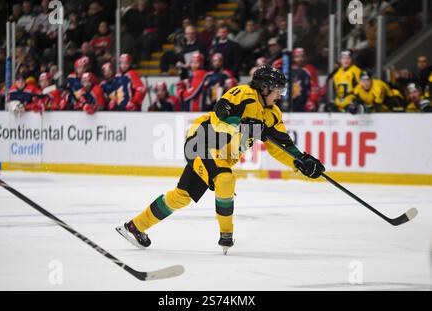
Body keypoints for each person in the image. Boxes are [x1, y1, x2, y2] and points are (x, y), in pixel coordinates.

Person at [116, 65, 325, 253]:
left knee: (181, 197)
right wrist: (247, 124)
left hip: (219, 156)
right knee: (225, 178)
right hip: (201, 142)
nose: (280, 95)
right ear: (264, 87)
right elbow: (220, 116)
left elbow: (281, 146)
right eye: (278, 90)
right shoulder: (244, 93)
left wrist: (300, 160)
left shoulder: (273, 114)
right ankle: (227, 234)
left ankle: (134, 227)